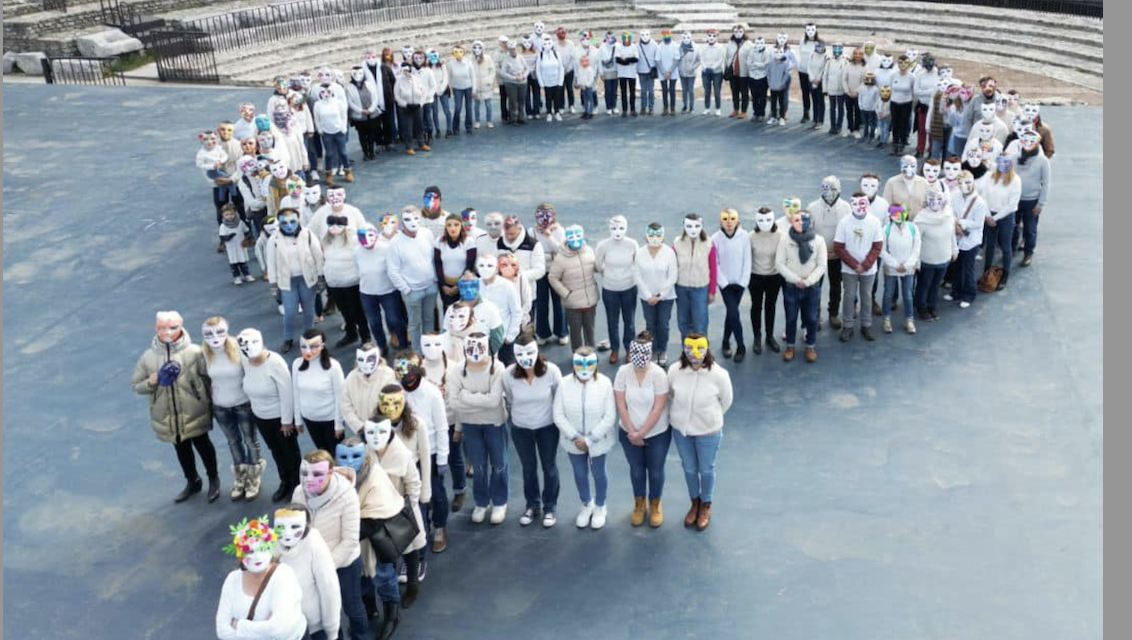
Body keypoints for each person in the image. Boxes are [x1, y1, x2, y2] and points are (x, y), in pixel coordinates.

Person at [131, 310, 219, 503]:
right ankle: (192, 481)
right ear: (156, 329)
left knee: (203, 445)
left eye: (173, 327)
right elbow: (136, 385)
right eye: (162, 328)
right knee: (181, 449)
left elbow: (209, 378)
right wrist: (151, 383)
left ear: (181, 326)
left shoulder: (195, 352)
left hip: (194, 411)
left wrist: (207, 399)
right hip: (168, 415)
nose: (168, 332)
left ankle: (214, 479)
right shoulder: (148, 357)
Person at [290, 451, 371, 640]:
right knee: (325, 612)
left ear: (330, 472)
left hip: (344, 564)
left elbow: (350, 541)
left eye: (317, 474)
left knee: (352, 606)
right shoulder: (298, 493)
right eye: (304, 473)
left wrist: (325, 566)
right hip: (313, 566)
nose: (309, 479)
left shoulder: (347, 496)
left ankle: (361, 635)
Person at [667, 334, 732, 531]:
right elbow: (671, 394)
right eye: (689, 349)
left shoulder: (719, 375)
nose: (694, 355)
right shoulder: (674, 371)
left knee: (706, 469)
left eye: (700, 349)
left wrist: (710, 418)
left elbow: (726, 401)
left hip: (708, 432)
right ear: (684, 350)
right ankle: (694, 502)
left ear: (707, 350)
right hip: (682, 431)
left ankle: (706, 504)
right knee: (688, 468)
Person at [447, 333, 509, 524]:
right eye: (470, 348)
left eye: (479, 348)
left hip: (495, 423)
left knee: (499, 464)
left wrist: (466, 396)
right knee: (479, 466)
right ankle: (481, 502)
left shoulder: (498, 367)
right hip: (470, 425)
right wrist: (480, 398)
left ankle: (500, 502)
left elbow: (494, 401)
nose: (474, 352)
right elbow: (454, 403)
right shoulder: (457, 370)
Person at [375, 384, 431, 594]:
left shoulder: (417, 424)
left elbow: (425, 456)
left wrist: (426, 491)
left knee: (417, 525)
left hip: (410, 481)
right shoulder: (376, 426)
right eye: (385, 403)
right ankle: (405, 558)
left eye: (395, 402)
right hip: (386, 485)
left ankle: (419, 561)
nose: (390, 408)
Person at [553, 347, 616, 530]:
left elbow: (609, 416)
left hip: (598, 440)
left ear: (595, 364)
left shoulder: (605, 383)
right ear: (573, 364)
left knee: (598, 472)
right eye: (580, 364)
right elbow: (558, 414)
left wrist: (590, 440)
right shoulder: (564, 384)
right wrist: (575, 437)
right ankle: (586, 503)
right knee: (579, 473)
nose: (584, 368)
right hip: (572, 440)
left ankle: (601, 505)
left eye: (589, 363)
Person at [202, 316, 265, 502]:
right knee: (233, 442)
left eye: (220, 331)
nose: (215, 337)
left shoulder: (239, 348)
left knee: (250, 440)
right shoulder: (204, 354)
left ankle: (254, 476)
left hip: (243, 404)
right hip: (220, 406)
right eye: (209, 333)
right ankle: (240, 477)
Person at [502, 336, 563, 528]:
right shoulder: (508, 374)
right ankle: (532, 505)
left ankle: (550, 507)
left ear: (537, 351)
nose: (525, 357)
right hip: (521, 428)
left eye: (529, 352)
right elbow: (510, 398)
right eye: (520, 353)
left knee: (549, 466)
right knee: (528, 469)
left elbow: (558, 396)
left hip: (547, 427)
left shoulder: (551, 371)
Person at [215, 516, 306, 640]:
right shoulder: (232, 580)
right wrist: (263, 630)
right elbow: (222, 631)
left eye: (262, 548)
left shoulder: (284, 575)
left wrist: (238, 625)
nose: (257, 557)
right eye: (250, 551)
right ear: (240, 555)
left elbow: (277, 629)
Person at [614, 332, 670, 528]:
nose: (639, 360)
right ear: (630, 353)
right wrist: (632, 432)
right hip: (628, 433)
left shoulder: (659, 374)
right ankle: (639, 504)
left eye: (644, 356)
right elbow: (620, 404)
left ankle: (655, 504)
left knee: (655, 471)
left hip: (657, 434)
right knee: (637, 470)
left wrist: (642, 433)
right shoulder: (622, 372)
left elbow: (659, 406)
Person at [238, 328, 299, 503]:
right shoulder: (245, 360)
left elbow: (287, 393)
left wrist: (287, 421)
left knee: (290, 453)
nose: (249, 350)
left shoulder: (276, 363)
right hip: (260, 417)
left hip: (280, 418)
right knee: (275, 451)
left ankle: (296, 485)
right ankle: (285, 482)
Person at [273, 504, 342, 640]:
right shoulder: (270, 545)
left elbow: (329, 588)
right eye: (281, 527)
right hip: (287, 628)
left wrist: (332, 629)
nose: (287, 534)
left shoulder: (314, 544)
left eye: (294, 527)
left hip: (315, 628)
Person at [266, 208, 325, 354]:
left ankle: (309, 337)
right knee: (290, 312)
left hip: (307, 280)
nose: (289, 225)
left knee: (308, 311)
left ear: (298, 220)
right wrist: (273, 284)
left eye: (292, 221)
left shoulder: (308, 235)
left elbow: (318, 257)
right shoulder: (273, 240)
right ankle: (288, 338)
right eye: (284, 222)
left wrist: (321, 277)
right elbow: (271, 263)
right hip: (287, 281)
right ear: (279, 223)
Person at [776, 211, 827, 363]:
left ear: (810, 222)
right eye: (797, 220)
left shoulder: (819, 241)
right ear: (792, 222)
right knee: (791, 317)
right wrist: (796, 279)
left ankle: (810, 346)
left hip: (812, 288)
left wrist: (808, 281)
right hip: (791, 286)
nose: (801, 222)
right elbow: (779, 263)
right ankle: (790, 346)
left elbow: (822, 265)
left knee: (811, 318)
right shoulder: (785, 239)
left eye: (804, 220)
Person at [834, 193, 885, 342]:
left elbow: (877, 246)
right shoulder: (844, 222)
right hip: (849, 269)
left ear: (868, 205)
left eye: (862, 204)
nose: (859, 207)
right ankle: (848, 326)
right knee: (849, 296)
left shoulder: (874, 222)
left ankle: (866, 325)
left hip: (869, 269)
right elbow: (838, 247)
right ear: (851, 205)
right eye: (855, 204)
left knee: (867, 296)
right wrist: (855, 265)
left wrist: (866, 265)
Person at [387, 207, 437, 350]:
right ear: (402, 222)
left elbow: (433, 258)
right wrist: (407, 290)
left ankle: (429, 349)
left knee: (429, 320)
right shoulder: (395, 243)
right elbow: (393, 271)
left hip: (430, 287)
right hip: (412, 291)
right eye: (408, 219)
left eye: (416, 218)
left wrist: (434, 280)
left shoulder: (427, 234)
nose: (413, 222)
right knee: (415, 325)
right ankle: (417, 352)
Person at [356, 219, 409, 354]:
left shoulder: (386, 249)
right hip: (367, 293)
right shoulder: (356, 251)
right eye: (362, 237)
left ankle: (403, 345)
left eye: (370, 236)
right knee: (374, 322)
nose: (366, 241)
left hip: (388, 291)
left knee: (395, 319)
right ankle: (381, 346)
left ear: (376, 235)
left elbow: (396, 268)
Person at [320, 212, 370, 348]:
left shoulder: (353, 239)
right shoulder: (325, 240)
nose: (335, 228)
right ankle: (351, 333)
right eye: (331, 225)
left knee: (358, 311)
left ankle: (366, 336)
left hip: (352, 281)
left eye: (338, 225)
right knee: (344, 311)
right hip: (334, 282)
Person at [290, 329, 345, 453]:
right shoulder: (296, 365)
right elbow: (296, 392)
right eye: (304, 347)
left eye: (313, 346)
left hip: (330, 420)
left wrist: (339, 424)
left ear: (322, 346)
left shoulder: (333, 366)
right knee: (323, 454)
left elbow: (340, 397)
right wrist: (298, 419)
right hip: (310, 420)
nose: (308, 351)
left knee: (337, 455)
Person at [595, 215, 639, 364]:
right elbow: (597, 263)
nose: (618, 231)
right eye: (614, 228)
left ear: (626, 228)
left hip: (629, 288)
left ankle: (629, 350)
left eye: (621, 228)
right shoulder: (603, 245)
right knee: (612, 321)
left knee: (629, 321)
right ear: (609, 229)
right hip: (610, 290)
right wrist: (604, 271)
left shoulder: (632, 244)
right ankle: (614, 349)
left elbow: (638, 263)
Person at [634, 222, 678, 366]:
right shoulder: (640, 253)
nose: (654, 238)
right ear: (646, 235)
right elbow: (638, 276)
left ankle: (663, 349)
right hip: (646, 298)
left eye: (658, 235)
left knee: (663, 324)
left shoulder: (669, 252)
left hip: (666, 297)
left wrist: (660, 296)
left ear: (662, 235)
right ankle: (652, 350)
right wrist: (648, 296)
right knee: (651, 324)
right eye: (651, 235)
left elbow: (673, 276)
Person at [549, 224, 599, 351]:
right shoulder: (560, 258)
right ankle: (577, 355)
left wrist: (602, 268)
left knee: (590, 330)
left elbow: (594, 267)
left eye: (578, 236)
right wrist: (566, 294)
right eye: (571, 237)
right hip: (573, 303)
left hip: (590, 300)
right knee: (575, 332)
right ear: (567, 238)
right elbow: (552, 277)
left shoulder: (589, 250)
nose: (575, 239)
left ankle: (590, 353)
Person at [807, 177, 848, 329]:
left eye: (833, 189)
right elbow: (809, 232)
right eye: (826, 189)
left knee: (836, 286)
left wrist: (838, 251)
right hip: (818, 256)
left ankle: (833, 313)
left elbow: (847, 232)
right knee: (816, 286)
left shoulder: (846, 207)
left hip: (837, 255)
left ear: (839, 190)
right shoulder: (812, 207)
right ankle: (815, 315)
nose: (829, 193)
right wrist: (821, 252)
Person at [912, 190, 958, 322]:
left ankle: (932, 306)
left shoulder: (948, 216)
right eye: (932, 200)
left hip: (944, 259)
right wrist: (916, 261)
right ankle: (921, 307)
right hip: (927, 260)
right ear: (927, 202)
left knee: (936, 284)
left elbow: (952, 234)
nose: (936, 203)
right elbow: (916, 243)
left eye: (939, 200)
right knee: (924, 284)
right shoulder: (921, 220)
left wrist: (954, 249)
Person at [712, 208, 751, 362]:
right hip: (726, 286)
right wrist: (724, 283)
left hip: (739, 284)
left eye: (732, 219)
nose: (729, 223)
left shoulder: (744, 236)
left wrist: (743, 282)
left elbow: (747, 260)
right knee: (734, 313)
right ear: (721, 221)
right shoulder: (715, 239)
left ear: (737, 220)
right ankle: (741, 346)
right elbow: (716, 263)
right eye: (725, 219)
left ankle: (725, 341)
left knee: (730, 313)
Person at [946, 170, 988, 309]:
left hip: (971, 240)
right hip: (956, 237)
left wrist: (961, 223)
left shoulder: (980, 202)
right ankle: (956, 292)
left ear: (973, 182)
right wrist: (955, 224)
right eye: (961, 183)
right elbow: (949, 212)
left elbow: (978, 223)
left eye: (968, 182)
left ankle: (969, 295)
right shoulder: (954, 196)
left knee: (968, 269)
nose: (965, 185)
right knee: (956, 267)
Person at [981, 154, 1023, 291]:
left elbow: (1012, 204)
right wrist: (988, 215)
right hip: (989, 214)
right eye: (1000, 162)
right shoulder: (990, 176)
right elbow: (984, 196)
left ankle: (1005, 275)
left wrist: (995, 218)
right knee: (990, 244)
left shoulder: (1015, 180)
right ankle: (986, 271)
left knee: (1006, 246)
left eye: (1006, 163)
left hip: (1006, 216)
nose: (1003, 165)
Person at [747, 207, 784, 355]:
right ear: (756, 220)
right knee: (756, 306)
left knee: (770, 306)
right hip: (755, 276)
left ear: (773, 219)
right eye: (761, 220)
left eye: (768, 219)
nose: (765, 223)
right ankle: (757, 337)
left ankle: (769, 336)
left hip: (774, 277)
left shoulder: (781, 235)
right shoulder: (751, 236)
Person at [673, 213, 717, 339]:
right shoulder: (677, 243)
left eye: (697, 226)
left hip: (700, 289)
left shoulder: (708, 243)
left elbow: (713, 269)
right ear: (684, 226)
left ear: (701, 226)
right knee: (684, 323)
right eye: (689, 226)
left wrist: (712, 291)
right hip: (681, 288)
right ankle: (686, 354)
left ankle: (703, 355)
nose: (693, 230)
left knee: (700, 324)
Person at [1011, 130, 1051, 267]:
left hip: (1032, 200)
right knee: (1013, 226)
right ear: (1021, 141)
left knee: (1030, 228)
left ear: (1037, 143)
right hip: (1015, 199)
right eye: (1025, 140)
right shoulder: (1014, 157)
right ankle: (1011, 248)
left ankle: (1028, 252)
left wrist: (1040, 204)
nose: (1028, 144)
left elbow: (1046, 183)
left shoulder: (1043, 161)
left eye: (1031, 141)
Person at [880, 205, 922, 334]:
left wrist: (908, 264)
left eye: (901, 213)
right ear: (890, 215)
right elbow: (882, 250)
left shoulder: (913, 227)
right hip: (892, 268)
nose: (898, 216)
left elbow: (916, 248)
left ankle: (909, 320)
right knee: (888, 294)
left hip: (908, 268)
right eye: (895, 214)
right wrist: (895, 265)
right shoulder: (886, 229)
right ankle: (886, 319)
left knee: (908, 295)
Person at [476, 253, 522, 364]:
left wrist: (510, 336)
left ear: (497, 269)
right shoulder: (474, 285)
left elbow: (516, 312)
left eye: (489, 266)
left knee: (508, 372)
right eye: (481, 265)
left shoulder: (507, 286)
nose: (485, 269)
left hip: (503, 339)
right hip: (479, 339)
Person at [434, 213, 478, 311]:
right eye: (449, 225)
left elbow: (470, 266)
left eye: (456, 224)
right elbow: (438, 264)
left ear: (461, 226)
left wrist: (458, 286)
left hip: (463, 285)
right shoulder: (439, 242)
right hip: (445, 286)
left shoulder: (469, 242)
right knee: (449, 312)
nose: (452, 228)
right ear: (445, 228)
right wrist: (443, 285)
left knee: (463, 312)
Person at [345, 66, 381, 162]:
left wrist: (371, 109)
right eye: (355, 74)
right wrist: (361, 110)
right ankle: (365, 153)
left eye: (360, 73)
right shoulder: (349, 87)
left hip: (372, 114)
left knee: (371, 134)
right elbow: (350, 102)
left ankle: (371, 152)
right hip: (359, 116)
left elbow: (375, 97)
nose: (358, 76)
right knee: (362, 135)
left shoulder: (369, 84)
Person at [394, 60, 429, 155]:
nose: (406, 73)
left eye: (408, 70)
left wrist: (420, 103)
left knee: (419, 125)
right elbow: (397, 95)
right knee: (408, 127)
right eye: (404, 71)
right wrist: (405, 104)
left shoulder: (417, 79)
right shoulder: (399, 80)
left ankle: (421, 143)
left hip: (417, 106)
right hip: (406, 108)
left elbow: (424, 92)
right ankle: (409, 146)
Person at [497, 251, 534, 333]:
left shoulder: (521, 279)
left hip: (521, 323)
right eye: (504, 265)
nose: (509, 267)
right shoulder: (496, 281)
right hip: (500, 323)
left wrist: (517, 318)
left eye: (513, 265)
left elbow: (527, 301)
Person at [536, 33, 566, 122]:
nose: (547, 45)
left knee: (557, 98)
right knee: (548, 98)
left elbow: (561, 68)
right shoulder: (540, 55)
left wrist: (560, 81)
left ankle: (557, 113)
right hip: (546, 82)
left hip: (556, 81)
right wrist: (541, 84)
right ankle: (549, 113)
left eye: (549, 43)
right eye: (545, 44)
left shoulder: (557, 54)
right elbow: (538, 70)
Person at [889, 56, 915, 155]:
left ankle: (902, 144)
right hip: (894, 102)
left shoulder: (912, 77)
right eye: (900, 63)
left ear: (909, 64)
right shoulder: (893, 75)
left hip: (906, 103)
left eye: (905, 63)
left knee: (903, 124)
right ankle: (895, 144)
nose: (903, 65)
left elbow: (913, 91)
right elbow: (891, 87)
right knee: (895, 124)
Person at [447, 45, 477, 135]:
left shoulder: (468, 62)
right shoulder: (451, 64)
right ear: (453, 54)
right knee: (458, 108)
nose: (459, 54)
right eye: (456, 52)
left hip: (468, 87)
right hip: (457, 88)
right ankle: (455, 128)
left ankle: (469, 127)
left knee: (468, 108)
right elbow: (449, 77)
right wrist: (450, 88)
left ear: (463, 53)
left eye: (460, 52)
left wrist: (474, 90)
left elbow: (473, 76)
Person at [725, 24, 752, 118]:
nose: (738, 34)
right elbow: (727, 57)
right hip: (733, 73)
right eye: (736, 32)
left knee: (744, 93)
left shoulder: (749, 44)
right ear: (733, 33)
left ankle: (744, 111)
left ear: (744, 32)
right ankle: (736, 109)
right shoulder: (730, 43)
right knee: (734, 92)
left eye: (740, 32)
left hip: (744, 73)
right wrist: (726, 68)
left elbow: (751, 58)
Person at [499, 40, 529, 126]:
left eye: (513, 49)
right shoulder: (506, 60)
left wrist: (523, 76)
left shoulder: (521, 57)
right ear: (508, 50)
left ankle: (521, 117)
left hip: (522, 82)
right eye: (510, 49)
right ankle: (513, 119)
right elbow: (503, 73)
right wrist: (514, 78)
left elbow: (527, 68)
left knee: (521, 101)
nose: (512, 51)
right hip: (511, 83)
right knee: (512, 101)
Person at [766, 42, 796, 126]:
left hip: (781, 87)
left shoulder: (785, 64)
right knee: (773, 102)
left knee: (782, 102)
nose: (778, 54)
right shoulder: (771, 63)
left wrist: (782, 84)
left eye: (780, 52)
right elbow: (768, 73)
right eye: (776, 52)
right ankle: (773, 117)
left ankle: (782, 117)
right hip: (773, 86)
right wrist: (770, 83)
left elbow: (786, 75)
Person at [823, 43, 849, 135]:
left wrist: (847, 89)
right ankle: (832, 126)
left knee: (841, 108)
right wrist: (824, 89)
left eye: (839, 49)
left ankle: (839, 126)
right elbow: (825, 75)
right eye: (835, 49)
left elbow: (847, 76)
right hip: (831, 88)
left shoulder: (846, 61)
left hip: (841, 89)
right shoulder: (829, 61)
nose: (837, 51)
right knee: (832, 108)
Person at [798, 23, 820, 123]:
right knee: (805, 93)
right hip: (802, 71)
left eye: (812, 30)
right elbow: (800, 53)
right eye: (808, 30)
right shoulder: (802, 41)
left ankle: (817, 117)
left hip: (814, 73)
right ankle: (806, 113)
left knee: (815, 95)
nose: (810, 32)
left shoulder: (819, 42)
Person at [471, 41, 496, 128]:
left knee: (488, 105)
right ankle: (477, 121)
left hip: (486, 86)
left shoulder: (488, 58)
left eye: (479, 47)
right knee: (476, 105)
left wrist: (489, 81)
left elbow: (492, 70)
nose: (477, 50)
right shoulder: (471, 60)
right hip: (476, 86)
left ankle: (489, 121)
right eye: (475, 48)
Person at [700, 28, 725, 116]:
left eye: (713, 36)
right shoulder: (703, 47)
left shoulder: (720, 47)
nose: (711, 37)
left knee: (717, 91)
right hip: (705, 72)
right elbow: (701, 58)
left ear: (716, 37)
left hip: (717, 72)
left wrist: (713, 68)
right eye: (709, 36)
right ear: (707, 36)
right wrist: (705, 67)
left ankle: (718, 109)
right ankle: (707, 108)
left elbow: (721, 59)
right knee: (707, 91)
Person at [614, 31, 639, 117]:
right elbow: (618, 60)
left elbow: (636, 59)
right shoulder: (619, 47)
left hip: (631, 74)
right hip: (622, 74)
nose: (627, 41)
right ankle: (624, 110)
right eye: (625, 39)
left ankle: (633, 109)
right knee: (623, 92)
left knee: (632, 92)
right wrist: (629, 61)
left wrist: (625, 60)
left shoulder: (634, 47)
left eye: (628, 39)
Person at [656, 30, 680, 116]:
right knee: (664, 90)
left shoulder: (675, 46)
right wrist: (663, 72)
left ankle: (672, 108)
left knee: (672, 90)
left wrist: (669, 71)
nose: (666, 37)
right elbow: (657, 60)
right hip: (662, 73)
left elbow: (677, 59)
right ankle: (665, 108)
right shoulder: (659, 46)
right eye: (665, 35)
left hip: (672, 72)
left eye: (668, 35)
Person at [745, 37, 769, 122]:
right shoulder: (751, 52)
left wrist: (755, 64)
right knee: (754, 97)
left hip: (763, 78)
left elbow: (766, 64)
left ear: (764, 43)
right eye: (757, 43)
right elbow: (748, 63)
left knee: (763, 97)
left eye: (761, 43)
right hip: (752, 77)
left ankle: (762, 114)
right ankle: (756, 113)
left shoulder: (766, 53)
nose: (759, 45)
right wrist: (758, 66)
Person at [599, 31, 620, 115]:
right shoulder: (602, 47)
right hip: (606, 72)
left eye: (611, 37)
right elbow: (599, 61)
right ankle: (608, 107)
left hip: (616, 71)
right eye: (608, 38)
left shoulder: (618, 46)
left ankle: (614, 106)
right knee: (608, 90)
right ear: (605, 38)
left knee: (614, 90)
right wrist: (601, 73)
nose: (610, 39)